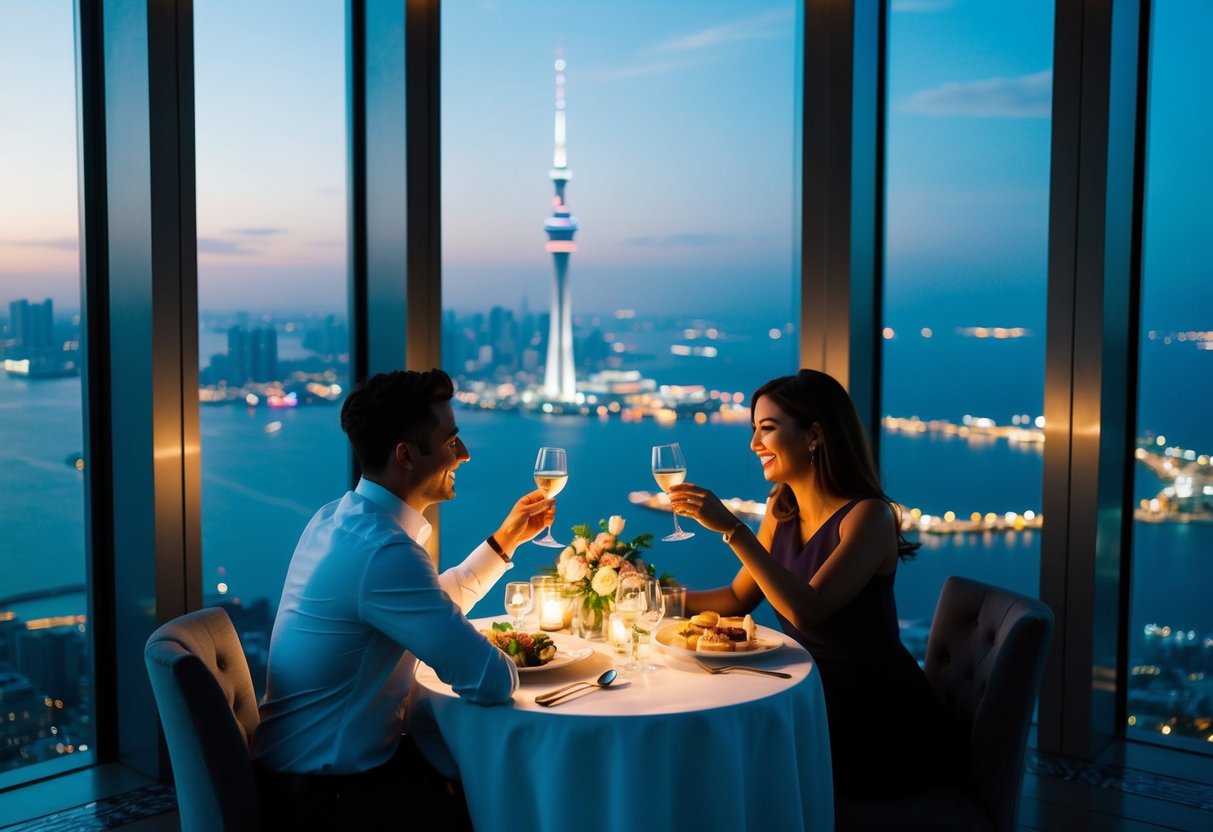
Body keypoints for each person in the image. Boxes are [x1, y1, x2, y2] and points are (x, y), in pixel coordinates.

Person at [251, 369, 554, 830]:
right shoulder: (384, 552)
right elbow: (491, 681)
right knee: (512, 804)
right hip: (327, 805)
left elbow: (425, 607)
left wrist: (504, 542)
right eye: (452, 441)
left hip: (303, 777)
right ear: (406, 455)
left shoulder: (338, 519)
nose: (465, 454)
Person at [668, 369, 964, 800]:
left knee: (738, 769)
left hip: (871, 714)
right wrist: (657, 596)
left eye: (766, 429)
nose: (754, 444)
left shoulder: (869, 517)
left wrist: (733, 530)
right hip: (810, 692)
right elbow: (737, 597)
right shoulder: (780, 507)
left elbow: (807, 610)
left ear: (814, 436)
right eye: (753, 430)